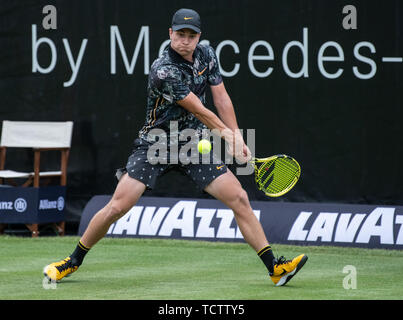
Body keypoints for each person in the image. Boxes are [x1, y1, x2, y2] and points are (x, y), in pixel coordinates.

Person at [44, 8, 307, 287]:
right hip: (155, 144)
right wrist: (229, 138)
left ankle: (275, 269)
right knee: (117, 207)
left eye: (191, 35)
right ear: (170, 34)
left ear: (198, 37)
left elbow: (222, 99)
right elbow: (202, 110)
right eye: (180, 34)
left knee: (239, 197)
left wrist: (238, 136)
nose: (185, 40)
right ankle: (72, 262)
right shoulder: (163, 70)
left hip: (193, 145)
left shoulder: (207, 55)